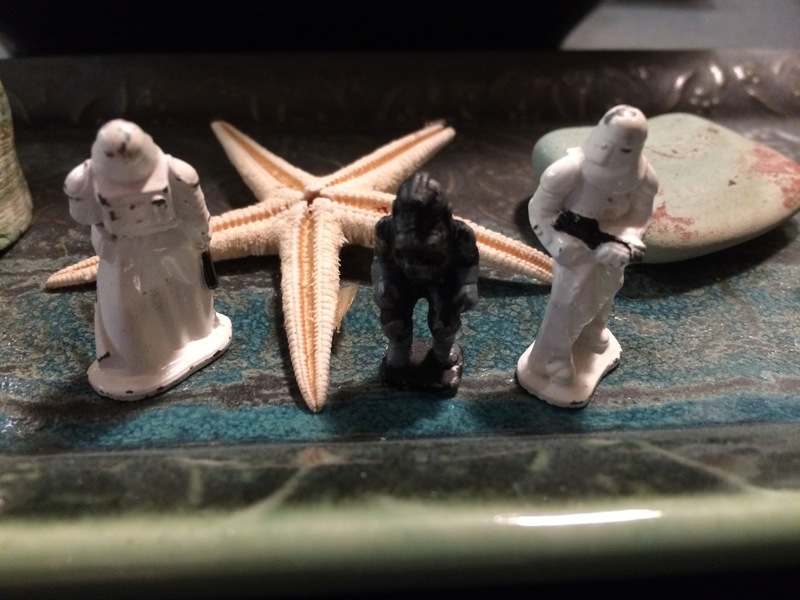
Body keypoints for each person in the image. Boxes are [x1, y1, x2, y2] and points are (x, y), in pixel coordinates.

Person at [65, 119, 231, 400]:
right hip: (123, 252)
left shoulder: (177, 173)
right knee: (126, 307)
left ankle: (196, 338)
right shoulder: (84, 180)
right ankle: (139, 363)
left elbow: (195, 213)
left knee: (187, 297)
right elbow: (86, 216)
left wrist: (202, 238)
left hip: (175, 244)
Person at [517, 105, 658, 407]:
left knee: (607, 289)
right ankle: (552, 359)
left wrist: (626, 242)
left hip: (609, 250)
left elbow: (640, 217)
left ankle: (593, 332)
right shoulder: (566, 172)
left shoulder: (644, 176)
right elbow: (540, 210)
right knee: (567, 302)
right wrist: (560, 244)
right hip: (575, 250)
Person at [372, 172, 478, 390]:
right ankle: (399, 346)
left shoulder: (460, 234)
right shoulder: (385, 229)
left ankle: (443, 349)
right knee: (393, 319)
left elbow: (468, 261)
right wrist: (382, 281)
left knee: (445, 322)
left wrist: (468, 284)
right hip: (401, 278)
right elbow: (381, 259)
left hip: (442, 279)